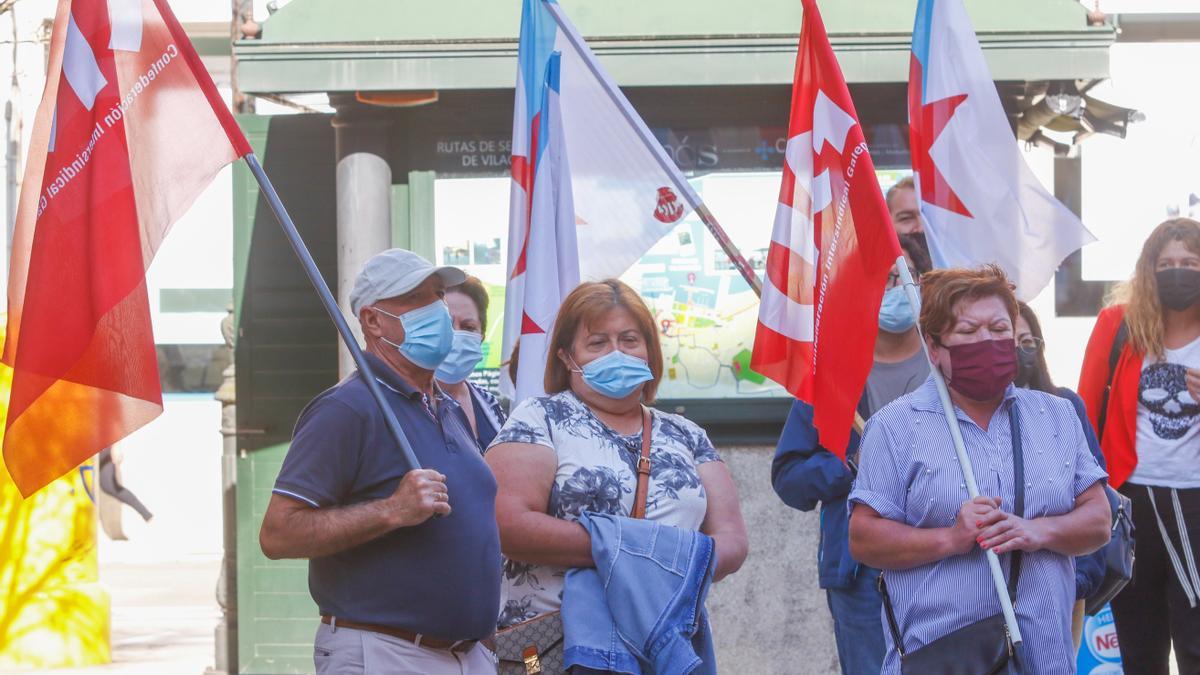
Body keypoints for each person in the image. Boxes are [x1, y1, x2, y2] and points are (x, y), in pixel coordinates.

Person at [849, 264, 1110, 674]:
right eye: (968, 332)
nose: (987, 340)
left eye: (999, 328)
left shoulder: (1056, 415)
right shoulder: (895, 426)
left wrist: (1039, 531)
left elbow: (1099, 520)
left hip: (1044, 656)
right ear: (934, 347)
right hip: (941, 657)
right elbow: (863, 538)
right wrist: (950, 538)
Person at [258, 248, 501, 675]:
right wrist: (392, 510)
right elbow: (278, 534)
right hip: (385, 653)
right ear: (372, 321)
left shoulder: (445, 405)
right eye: (417, 299)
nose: (438, 312)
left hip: (466, 655)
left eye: (439, 295)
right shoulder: (347, 409)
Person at [486, 279, 748, 629]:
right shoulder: (538, 419)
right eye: (597, 343)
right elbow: (509, 525)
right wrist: (638, 549)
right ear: (566, 357)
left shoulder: (688, 434)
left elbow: (731, 539)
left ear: (649, 351)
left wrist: (671, 560)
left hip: (664, 639)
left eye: (629, 340)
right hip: (561, 644)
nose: (616, 353)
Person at [771, 233, 931, 675]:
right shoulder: (832, 375)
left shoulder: (947, 366)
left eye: (900, 278)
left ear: (922, 284)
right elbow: (789, 477)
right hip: (862, 575)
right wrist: (846, 468)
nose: (891, 291)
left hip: (947, 560)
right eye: (877, 281)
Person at [1078, 217, 1200, 674]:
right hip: (1128, 503)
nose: (1178, 271)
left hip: (1195, 502)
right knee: (1139, 640)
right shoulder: (1118, 325)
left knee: (1196, 640)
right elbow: (1086, 411)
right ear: (1148, 270)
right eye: (1166, 262)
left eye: (1190, 262)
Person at [1014, 301, 1108, 651]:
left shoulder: (1064, 407)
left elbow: (1097, 505)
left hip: (1061, 594)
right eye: (1004, 338)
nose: (1017, 350)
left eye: (1026, 341)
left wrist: (1075, 583)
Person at [438, 276, 506, 450]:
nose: (456, 335)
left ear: (480, 338)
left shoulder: (488, 403)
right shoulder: (410, 405)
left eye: (468, 328)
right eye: (447, 325)